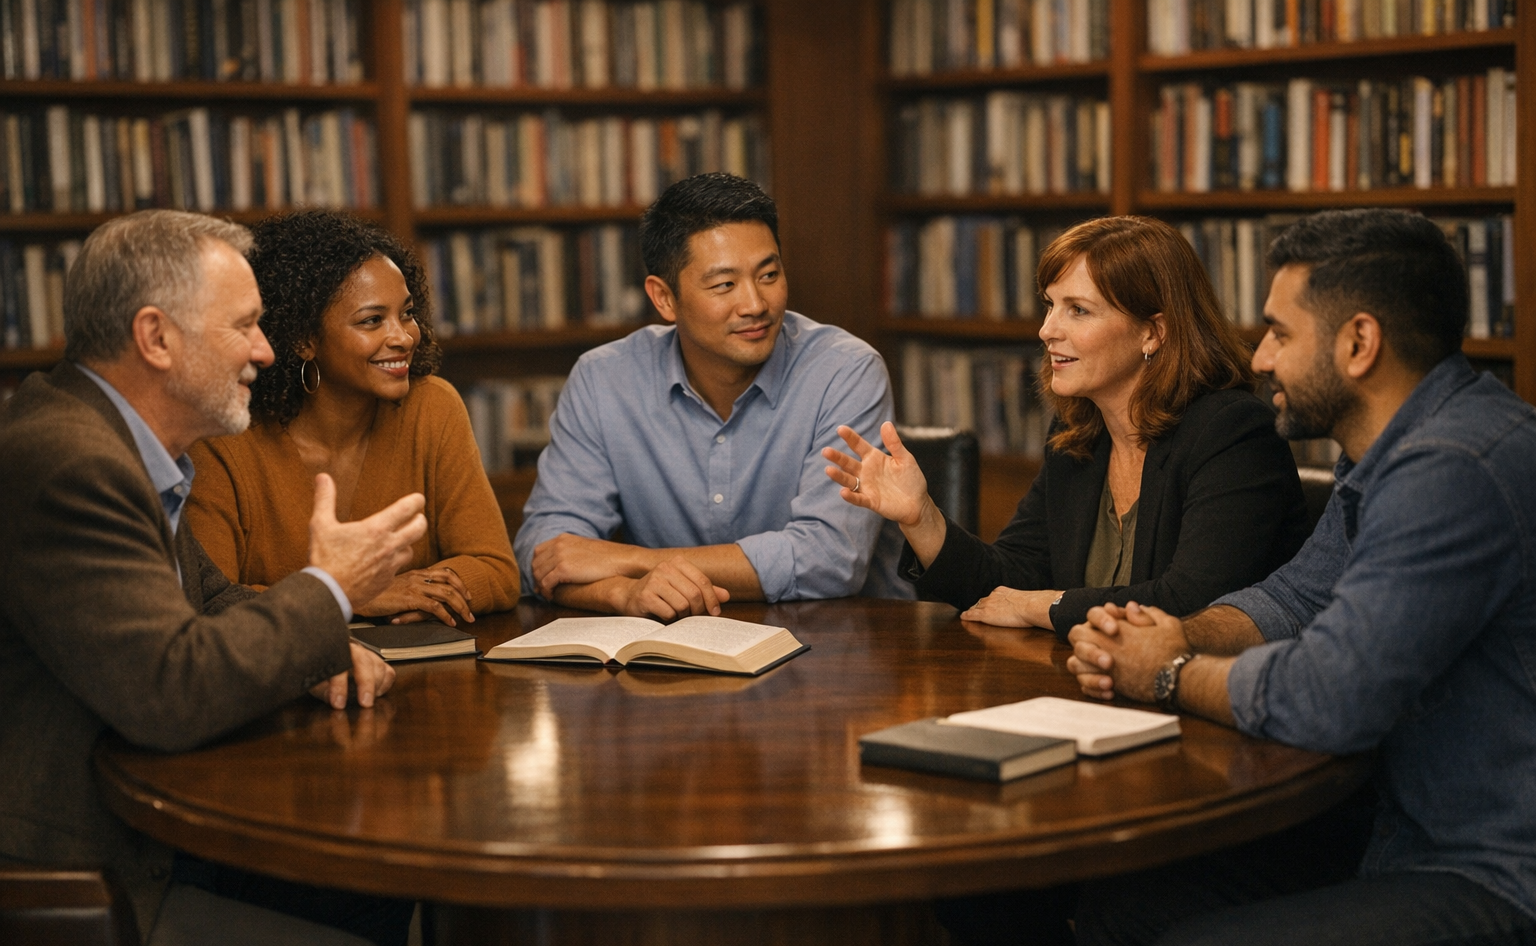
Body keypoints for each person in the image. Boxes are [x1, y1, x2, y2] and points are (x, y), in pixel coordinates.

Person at [1065, 208, 1536, 946]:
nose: (1259, 358)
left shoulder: (1452, 469)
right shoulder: (1387, 448)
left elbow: (1329, 697)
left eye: (1280, 333)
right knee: (1122, 912)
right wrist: (1178, 631)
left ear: (1358, 343)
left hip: (1496, 872)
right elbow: (1293, 597)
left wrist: (1168, 672)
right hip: (1402, 824)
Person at [0, 210, 429, 946]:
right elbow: (171, 690)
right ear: (156, 338)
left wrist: (317, 644)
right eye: (246, 325)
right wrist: (329, 591)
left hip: (136, 829)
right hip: (72, 874)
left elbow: (214, 602)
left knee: (379, 902)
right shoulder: (68, 462)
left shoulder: (123, 442)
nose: (266, 351)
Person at [824, 216, 1311, 646]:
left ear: (1153, 332)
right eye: (1050, 305)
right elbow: (1004, 584)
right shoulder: (1081, 431)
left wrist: (1043, 607)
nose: (1047, 329)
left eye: (1077, 309)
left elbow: (1189, 604)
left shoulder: (1233, 433)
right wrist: (920, 517)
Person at [514, 172, 910, 620]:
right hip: (666, 661)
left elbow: (831, 558)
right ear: (664, 298)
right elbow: (547, 551)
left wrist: (632, 560)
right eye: (725, 285)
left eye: (769, 274)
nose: (755, 304)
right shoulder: (604, 379)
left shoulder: (845, 370)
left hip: (834, 650)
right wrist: (623, 595)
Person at [187, 210, 519, 627]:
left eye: (407, 313)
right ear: (303, 340)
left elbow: (497, 569)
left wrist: (426, 591)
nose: (402, 337)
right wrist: (351, 595)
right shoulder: (225, 438)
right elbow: (208, 602)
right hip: (287, 680)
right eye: (372, 321)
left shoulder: (433, 407)